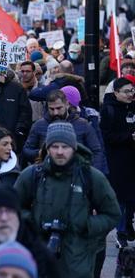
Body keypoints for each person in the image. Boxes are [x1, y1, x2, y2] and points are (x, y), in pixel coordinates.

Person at [15, 123, 120, 278]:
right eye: (55, 146)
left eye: (65, 146)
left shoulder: (91, 177)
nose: (59, 152)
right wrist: (33, 220)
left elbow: (112, 214)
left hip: (78, 260)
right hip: (38, 257)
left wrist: (86, 225)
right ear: (47, 148)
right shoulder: (32, 176)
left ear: (74, 147)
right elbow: (11, 209)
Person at [21, 90, 107, 172]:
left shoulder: (83, 125)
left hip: (77, 174)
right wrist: (40, 153)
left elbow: (97, 151)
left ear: (67, 104)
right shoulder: (39, 125)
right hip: (48, 174)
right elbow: (26, 150)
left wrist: (93, 173)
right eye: (52, 109)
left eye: (59, 108)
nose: (55, 113)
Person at [100, 77, 135, 242]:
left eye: (132, 90)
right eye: (126, 91)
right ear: (116, 93)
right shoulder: (108, 110)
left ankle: (129, 225)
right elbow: (107, 136)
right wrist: (129, 137)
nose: (130, 94)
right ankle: (121, 232)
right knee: (121, 197)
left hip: (132, 159)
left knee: (132, 198)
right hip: (118, 161)